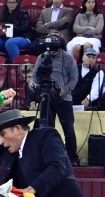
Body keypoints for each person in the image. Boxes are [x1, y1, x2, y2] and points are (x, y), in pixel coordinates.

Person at [30, 33, 80, 165]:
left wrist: (63, 91)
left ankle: (72, 157)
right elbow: (35, 75)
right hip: (46, 97)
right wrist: (34, 84)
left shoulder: (68, 58)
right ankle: (48, 157)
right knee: (46, 128)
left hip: (64, 98)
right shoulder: (42, 57)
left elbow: (74, 78)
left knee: (68, 128)